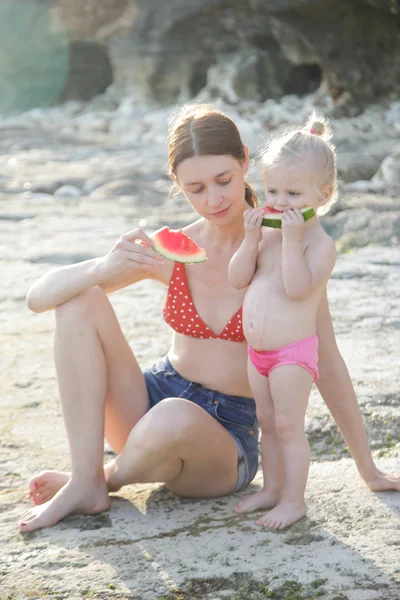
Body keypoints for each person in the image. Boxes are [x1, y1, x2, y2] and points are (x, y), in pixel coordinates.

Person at [20, 104, 400, 533]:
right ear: (177, 186)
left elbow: (326, 363)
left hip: (225, 437)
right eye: (196, 188)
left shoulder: (285, 253)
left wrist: (369, 469)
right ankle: (84, 475)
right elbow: (38, 298)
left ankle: (98, 480)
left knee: (174, 416)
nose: (214, 199)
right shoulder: (174, 246)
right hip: (150, 403)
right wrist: (102, 270)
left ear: (244, 161)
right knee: (78, 301)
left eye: (224, 180)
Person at [229, 116, 337, 529]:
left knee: (290, 425)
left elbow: (297, 290)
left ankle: (295, 501)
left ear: (322, 195)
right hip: (259, 353)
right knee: (267, 423)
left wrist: (290, 242)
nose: (279, 200)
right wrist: (251, 239)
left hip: (292, 354)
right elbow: (238, 278)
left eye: (293, 192)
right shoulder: (267, 233)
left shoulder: (319, 244)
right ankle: (272, 488)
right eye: (272, 190)